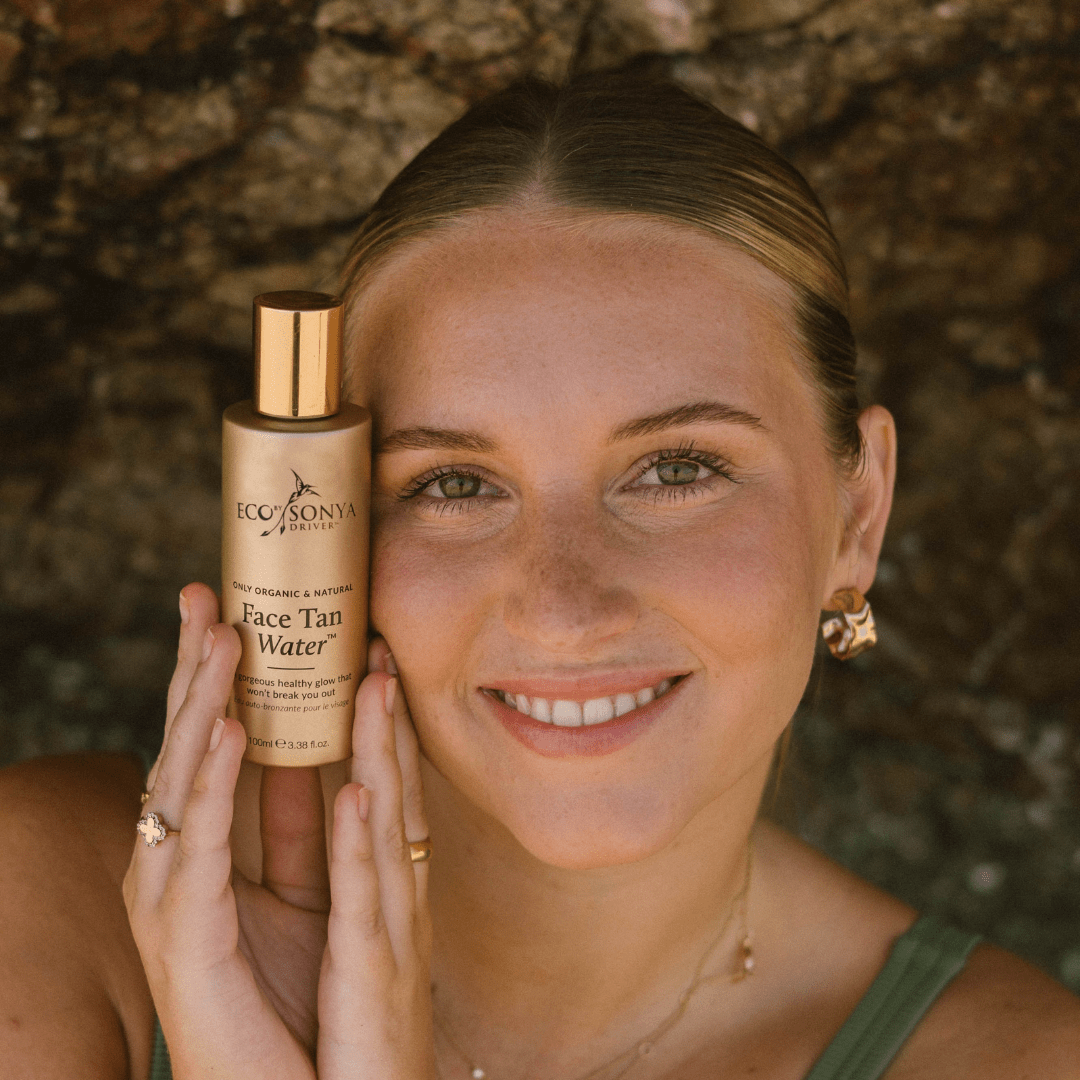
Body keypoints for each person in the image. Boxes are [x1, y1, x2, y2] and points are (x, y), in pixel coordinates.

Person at [1, 72, 1078, 1080]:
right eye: (457, 483)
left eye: (677, 469)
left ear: (859, 510)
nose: (565, 609)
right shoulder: (48, 909)